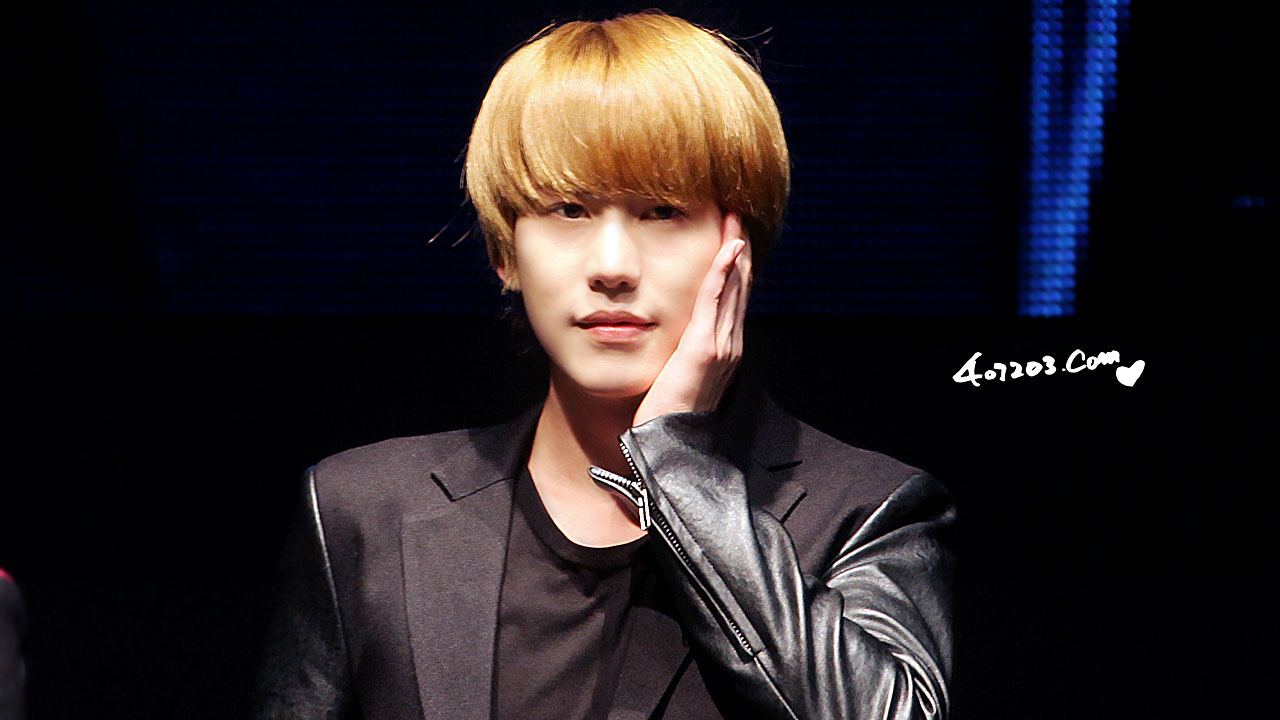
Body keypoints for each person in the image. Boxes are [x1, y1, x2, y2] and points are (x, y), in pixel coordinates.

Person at [253, 10, 954, 720]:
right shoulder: (362, 509)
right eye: (568, 209)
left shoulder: (866, 509)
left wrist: (677, 463)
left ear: (740, 249)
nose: (613, 267)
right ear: (503, 252)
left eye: (663, 211)